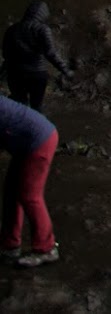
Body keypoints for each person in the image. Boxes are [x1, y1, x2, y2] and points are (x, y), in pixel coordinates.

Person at [0, 94, 59, 266]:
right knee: (12, 191)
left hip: (40, 140)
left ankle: (46, 249)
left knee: (30, 196)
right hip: (24, 142)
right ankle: (9, 244)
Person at [1, 2, 73, 111]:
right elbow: (50, 53)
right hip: (37, 74)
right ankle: (35, 125)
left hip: (15, 73)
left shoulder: (12, 29)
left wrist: (3, 71)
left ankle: (18, 125)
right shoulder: (42, 29)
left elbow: (6, 54)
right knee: (36, 106)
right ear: (43, 15)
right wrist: (65, 70)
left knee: (19, 104)